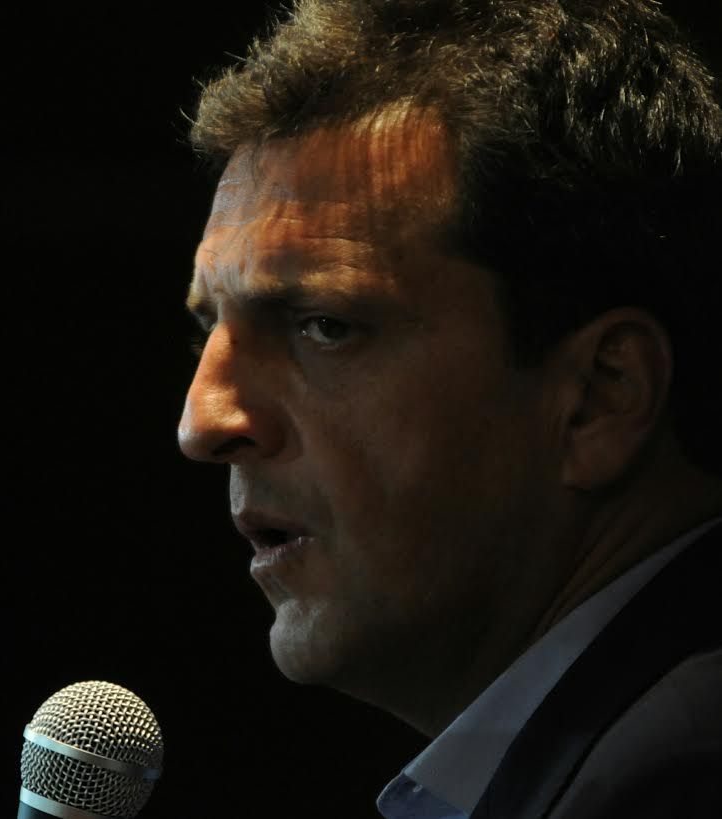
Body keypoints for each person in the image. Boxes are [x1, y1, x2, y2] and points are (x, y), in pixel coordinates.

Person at [176, 1, 722, 816]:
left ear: (599, 396)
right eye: (207, 330)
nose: (202, 422)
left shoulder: (671, 780)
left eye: (324, 325)